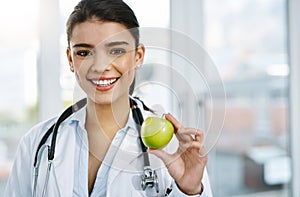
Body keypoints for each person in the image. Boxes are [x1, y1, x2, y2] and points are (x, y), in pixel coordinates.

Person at [4, 0, 212, 196]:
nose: (100, 66)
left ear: (138, 56)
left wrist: (190, 191)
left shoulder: (172, 148)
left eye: (116, 51)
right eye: (84, 53)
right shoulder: (37, 143)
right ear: (70, 59)